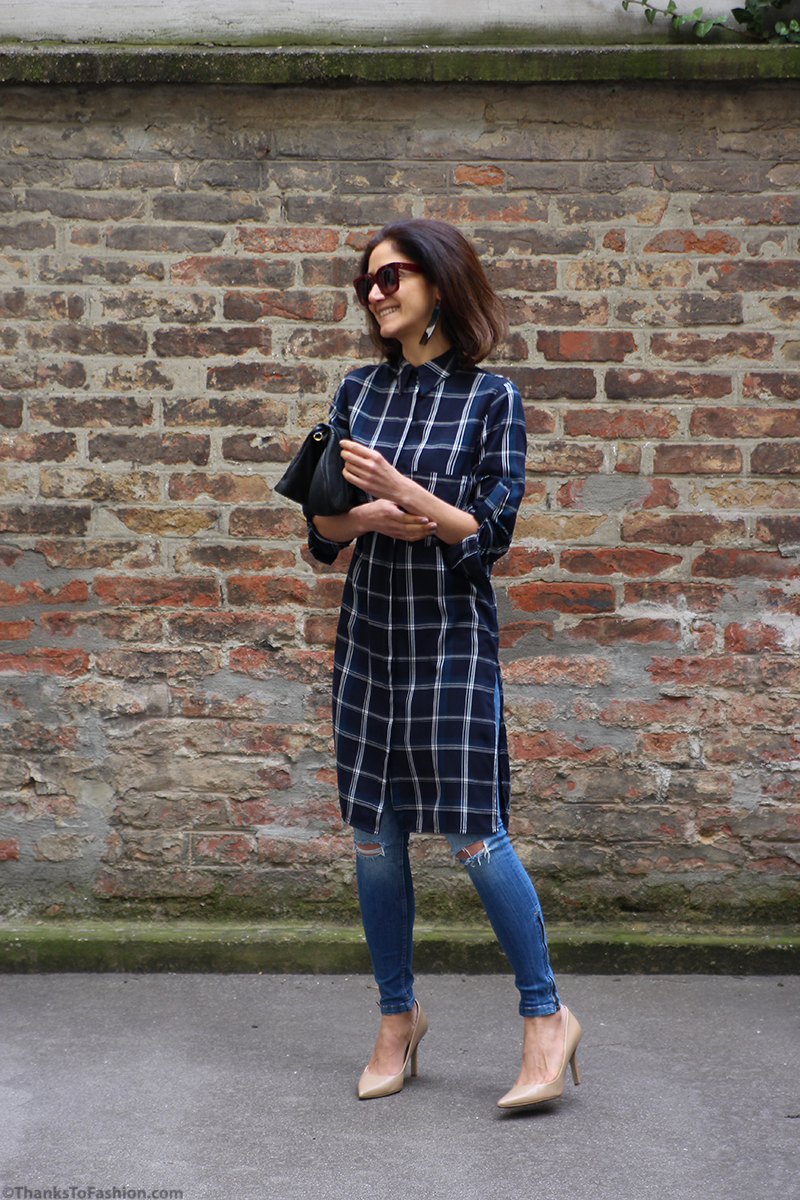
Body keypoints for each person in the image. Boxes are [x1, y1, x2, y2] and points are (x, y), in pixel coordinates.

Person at [307, 218, 581, 1108]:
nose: (376, 293)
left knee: (474, 833)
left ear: (439, 283)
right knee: (373, 838)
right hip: (372, 635)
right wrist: (366, 519)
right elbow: (321, 527)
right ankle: (398, 1020)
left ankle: (546, 1020)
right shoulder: (357, 391)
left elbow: (488, 538)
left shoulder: (491, 398)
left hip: (452, 639)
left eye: (391, 277)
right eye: (367, 283)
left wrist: (405, 492)